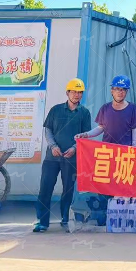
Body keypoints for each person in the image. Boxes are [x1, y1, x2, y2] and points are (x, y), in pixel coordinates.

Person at [33, 78, 91, 232]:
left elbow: (86, 136)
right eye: (74, 92)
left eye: (80, 92)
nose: (77, 95)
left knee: (68, 190)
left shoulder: (84, 113)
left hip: (71, 158)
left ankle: (65, 219)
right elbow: (48, 130)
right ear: (67, 93)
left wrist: (74, 148)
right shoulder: (56, 110)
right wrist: (53, 146)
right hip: (52, 157)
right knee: (45, 188)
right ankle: (42, 221)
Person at [76, 75, 136, 147]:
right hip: (107, 150)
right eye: (117, 89)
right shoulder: (105, 108)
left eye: (123, 89)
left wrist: (134, 148)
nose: (120, 92)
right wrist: (86, 134)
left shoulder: (132, 108)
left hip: (124, 151)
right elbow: (101, 127)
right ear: (111, 91)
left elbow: (135, 130)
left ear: (127, 92)